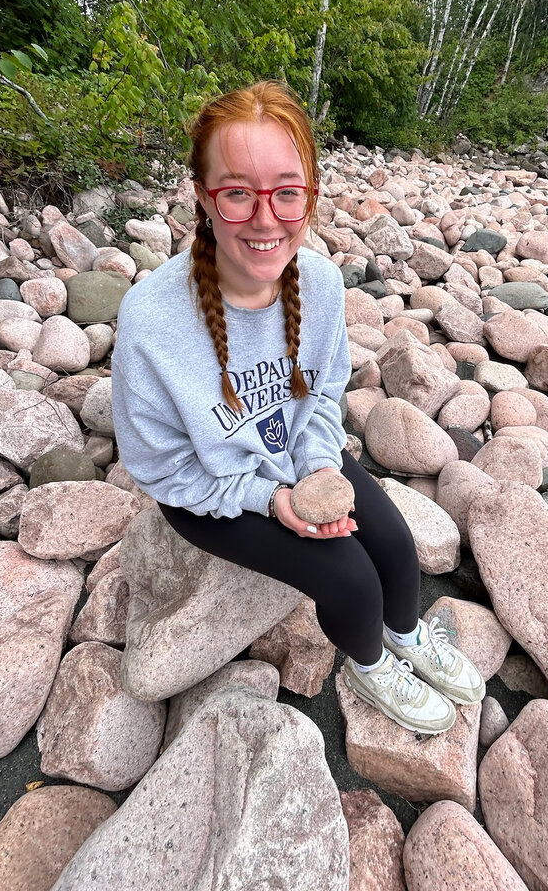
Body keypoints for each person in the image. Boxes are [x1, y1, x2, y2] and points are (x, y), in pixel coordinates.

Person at [111, 80, 485, 735]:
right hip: (213, 490)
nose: (265, 218)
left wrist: (317, 472)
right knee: (350, 582)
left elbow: (323, 394)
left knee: (396, 549)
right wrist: (268, 500)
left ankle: (405, 637)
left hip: (297, 456)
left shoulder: (320, 282)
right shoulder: (151, 320)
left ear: (309, 193)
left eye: (287, 191)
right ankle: (370, 666)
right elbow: (161, 470)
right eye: (236, 193)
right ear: (202, 196)